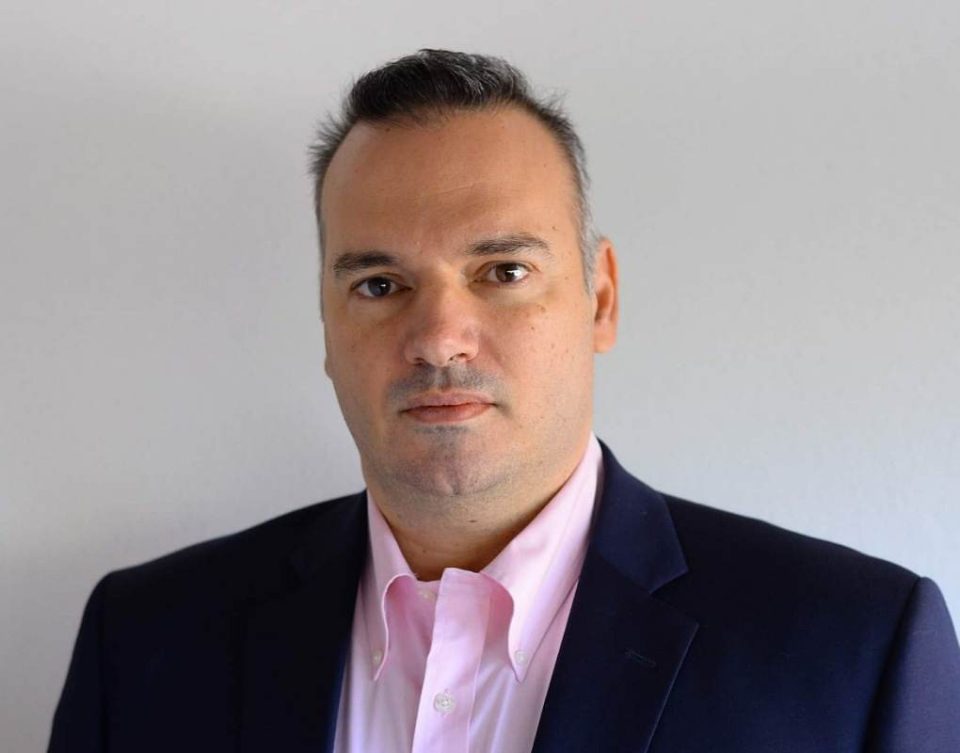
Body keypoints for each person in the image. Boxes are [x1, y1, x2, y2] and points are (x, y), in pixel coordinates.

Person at [49, 49, 960, 753]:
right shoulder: (143, 642)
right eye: (378, 284)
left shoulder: (856, 651)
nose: (440, 337)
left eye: (504, 271)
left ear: (601, 298)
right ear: (326, 324)